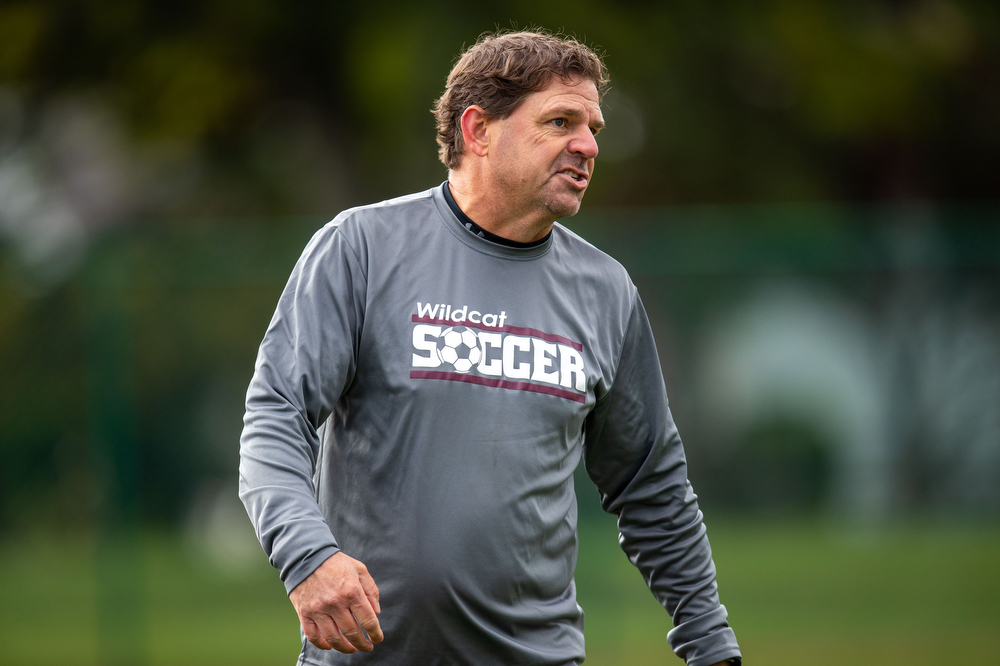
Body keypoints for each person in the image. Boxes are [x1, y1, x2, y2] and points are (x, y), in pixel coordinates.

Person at [240, 30, 742, 666]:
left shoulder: (604, 291)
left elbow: (652, 485)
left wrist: (710, 642)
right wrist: (308, 556)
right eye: (560, 121)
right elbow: (274, 418)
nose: (587, 146)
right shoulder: (361, 250)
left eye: (593, 127)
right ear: (478, 130)